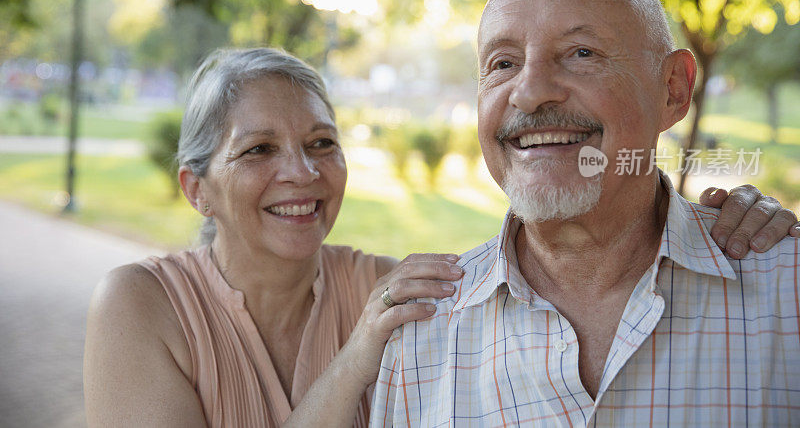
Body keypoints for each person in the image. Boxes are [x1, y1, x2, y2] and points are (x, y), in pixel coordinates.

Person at [83, 47, 792, 426]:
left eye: (320, 142)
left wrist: (729, 221)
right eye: (258, 150)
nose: (300, 173)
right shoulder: (140, 305)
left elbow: (543, 262)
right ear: (195, 187)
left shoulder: (397, 291)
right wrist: (356, 355)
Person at [371, 0, 800, 427]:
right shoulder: (419, 334)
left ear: (674, 90)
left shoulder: (788, 292)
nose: (530, 92)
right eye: (503, 63)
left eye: (581, 53)